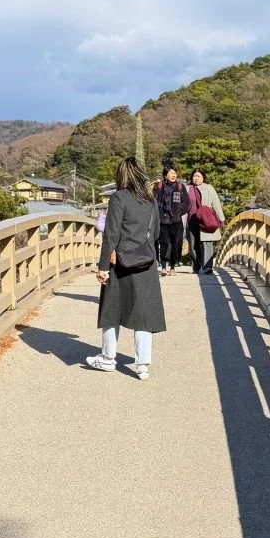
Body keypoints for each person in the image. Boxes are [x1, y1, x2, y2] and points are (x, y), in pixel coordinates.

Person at [86, 156, 166, 380]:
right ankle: (142, 365)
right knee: (144, 314)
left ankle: (108, 359)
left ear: (122, 175)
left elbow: (110, 234)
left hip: (120, 262)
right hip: (146, 263)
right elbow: (157, 233)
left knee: (113, 310)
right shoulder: (150, 200)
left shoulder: (119, 198)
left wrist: (102, 267)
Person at [186, 169, 225, 275]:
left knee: (207, 243)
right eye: (195, 176)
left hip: (205, 220)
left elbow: (216, 204)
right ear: (191, 177)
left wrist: (221, 219)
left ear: (203, 177)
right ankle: (197, 267)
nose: (196, 178)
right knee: (193, 245)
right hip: (192, 220)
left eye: (199, 176)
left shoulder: (209, 188)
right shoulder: (187, 189)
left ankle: (207, 267)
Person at [153, 165, 188, 275]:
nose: (173, 175)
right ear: (165, 175)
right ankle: (163, 267)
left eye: (174, 173)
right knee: (163, 243)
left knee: (176, 243)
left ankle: (172, 267)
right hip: (162, 219)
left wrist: (179, 212)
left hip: (175, 220)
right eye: (171, 173)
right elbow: (153, 201)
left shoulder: (180, 187)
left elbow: (186, 203)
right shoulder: (158, 187)